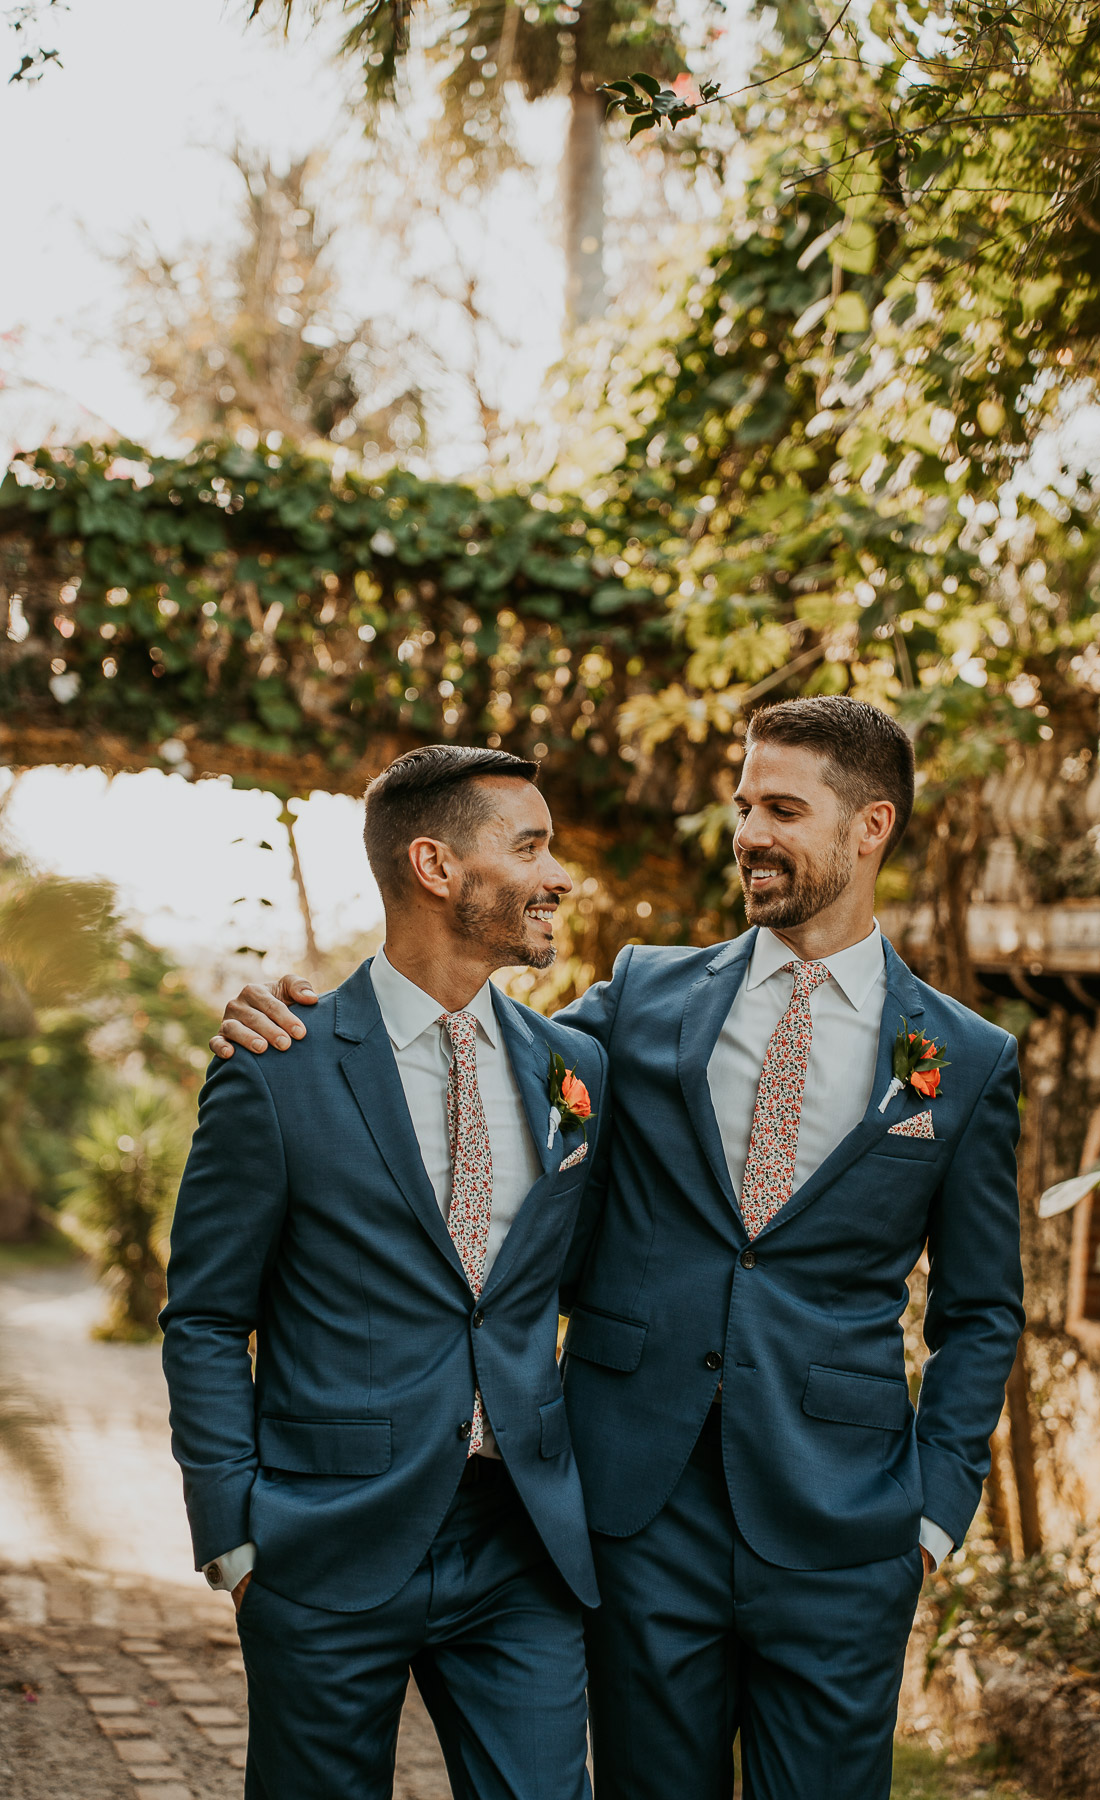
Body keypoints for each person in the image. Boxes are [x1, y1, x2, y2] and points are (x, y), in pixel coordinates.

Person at [213, 696, 1024, 1800]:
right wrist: (293, 1012)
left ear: (871, 825)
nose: (749, 835)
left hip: (845, 1527)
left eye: (783, 809)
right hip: (642, 1517)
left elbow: (982, 1309)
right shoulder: (645, 998)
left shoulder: (962, 1060)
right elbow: (459, 1041)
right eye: (744, 807)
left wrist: (931, 1513)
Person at [163, 744, 609, 1800]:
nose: (559, 876)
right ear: (436, 865)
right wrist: (232, 1534)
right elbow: (206, 1317)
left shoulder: (573, 1071)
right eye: (531, 846)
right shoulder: (281, 1068)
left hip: (519, 1545)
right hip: (325, 1542)